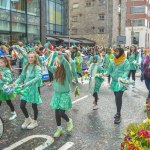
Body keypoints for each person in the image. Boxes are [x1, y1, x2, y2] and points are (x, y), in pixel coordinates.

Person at [47, 51, 73, 138]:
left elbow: (65, 63)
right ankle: (59, 129)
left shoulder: (67, 70)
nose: (57, 61)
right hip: (57, 94)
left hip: (65, 94)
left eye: (58, 60)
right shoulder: (56, 69)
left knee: (61, 113)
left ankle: (69, 121)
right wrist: (53, 55)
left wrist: (60, 55)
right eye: (56, 60)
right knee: (56, 112)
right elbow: (48, 65)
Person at [14, 52, 42, 129]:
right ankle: (28, 119)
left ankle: (35, 121)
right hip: (26, 89)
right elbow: (22, 77)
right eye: (29, 57)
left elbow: (38, 78)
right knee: (22, 105)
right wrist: (14, 83)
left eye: (32, 57)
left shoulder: (37, 67)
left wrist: (27, 83)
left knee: (34, 106)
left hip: (33, 89)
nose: (30, 59)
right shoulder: (26, 66)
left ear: (35, 58)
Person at [105, 48, 130, 124]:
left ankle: (118, 114)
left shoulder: (125, 61)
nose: (115, 53)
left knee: (118, 97)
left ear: (121, 52)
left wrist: (122, 77)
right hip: (114, 82)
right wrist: (103, 74)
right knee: (117, 98)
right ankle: (118, 111)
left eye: (117, 51)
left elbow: (126, 70)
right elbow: (109, 71)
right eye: (115, 51)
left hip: (121, 82)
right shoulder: (112, 61)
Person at [0, 56, 17, 120]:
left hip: (5, 89)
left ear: (6, 63)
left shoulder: (7, 71)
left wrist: (2, 77)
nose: (0, 64)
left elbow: (9, 80)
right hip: (0, 88)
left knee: (8, 102)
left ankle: (14, 113)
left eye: (1, 63)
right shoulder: (0, 69)